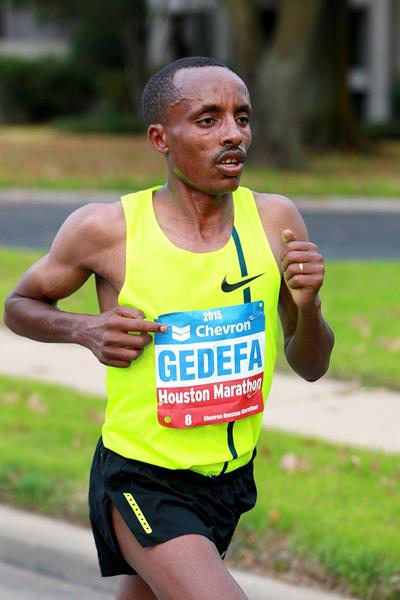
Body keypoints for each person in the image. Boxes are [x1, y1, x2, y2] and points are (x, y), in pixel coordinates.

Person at [4, 56, 334, 600]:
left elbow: (312, 365)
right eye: (208, 120)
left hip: (230, 479)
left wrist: (309, 303)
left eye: (242, 118)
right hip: (141, 477)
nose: (233, 135)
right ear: (160, 137)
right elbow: (19, 304)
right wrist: (84, 329)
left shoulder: (276, 222)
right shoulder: (106, 229)